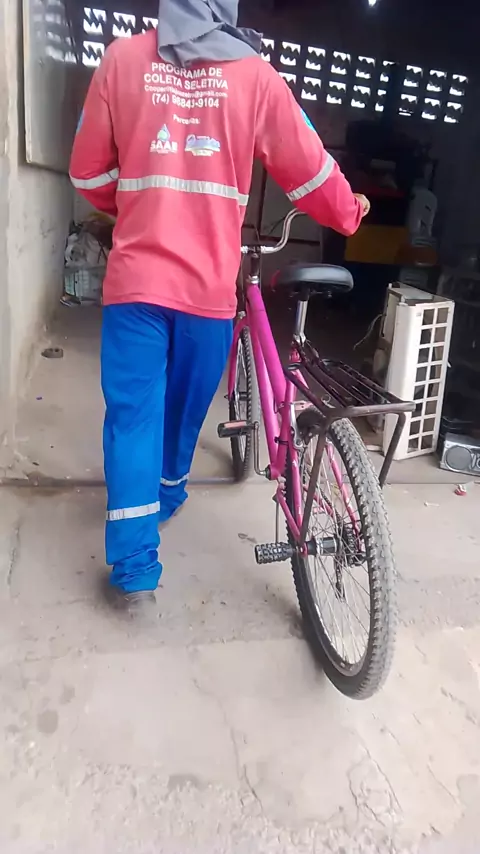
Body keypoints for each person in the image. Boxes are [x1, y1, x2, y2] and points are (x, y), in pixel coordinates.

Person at [70, 0, 369, 617]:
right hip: (207, 292)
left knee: (132, 418)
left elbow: (87, 173)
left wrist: (141, 204)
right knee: (185, 410)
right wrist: (349, 213)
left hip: (136, 285)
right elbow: (309, 166)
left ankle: (135, 566)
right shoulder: (254, 75)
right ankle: (167, 492)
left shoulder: (121, 60)